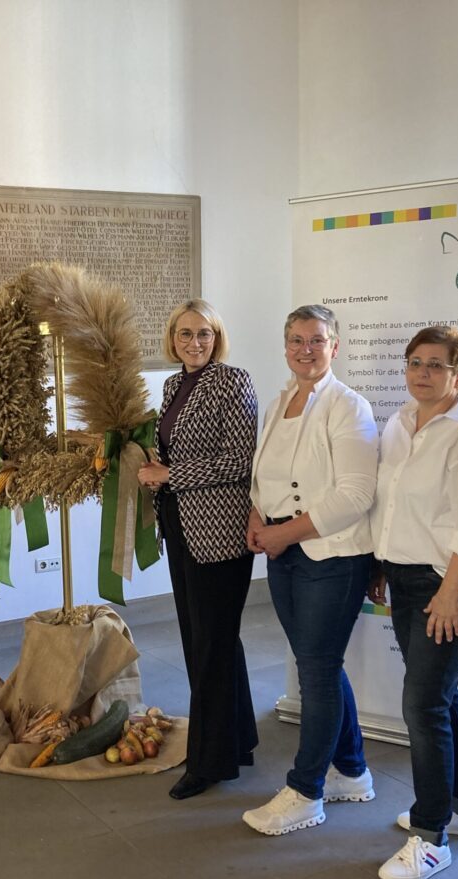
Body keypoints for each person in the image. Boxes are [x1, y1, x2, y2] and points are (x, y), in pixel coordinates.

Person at [368, 326, 458, 879]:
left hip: (452, 582)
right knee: (439, 695)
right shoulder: (401, 422)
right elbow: (394, 503)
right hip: (406, 576)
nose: (423, 373)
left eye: (436, 365)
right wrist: (382, 561)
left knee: (423, 705)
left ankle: (430, 836)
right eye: (415, 363)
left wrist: (451, 594)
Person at [240, 304, 379, 833]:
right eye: (296, 340)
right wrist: (257, 514)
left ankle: (306, 792)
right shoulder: (278, 404)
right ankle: (352, 770)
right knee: (316, 662)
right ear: (285, 346)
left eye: (316, 340)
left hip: (333, 555)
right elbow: (263, 476)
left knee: (316, 670)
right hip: (286, 553)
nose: (305, 349)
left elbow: (356, 494)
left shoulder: (349, 406)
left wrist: (283, 531)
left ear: (334, 346)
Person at [138, 299, 259, 801]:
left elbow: (240, 458)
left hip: (221, 531)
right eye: (185, 334)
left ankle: (211, 761)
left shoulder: (234, 381)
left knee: (209, 643)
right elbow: (174, 449)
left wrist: (170, 474)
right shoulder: (172, 385)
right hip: (181, 524)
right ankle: (241, 737)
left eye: (204, 334)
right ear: (172, 339)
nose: (194, 343)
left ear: (218, 337)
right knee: (211, 638)